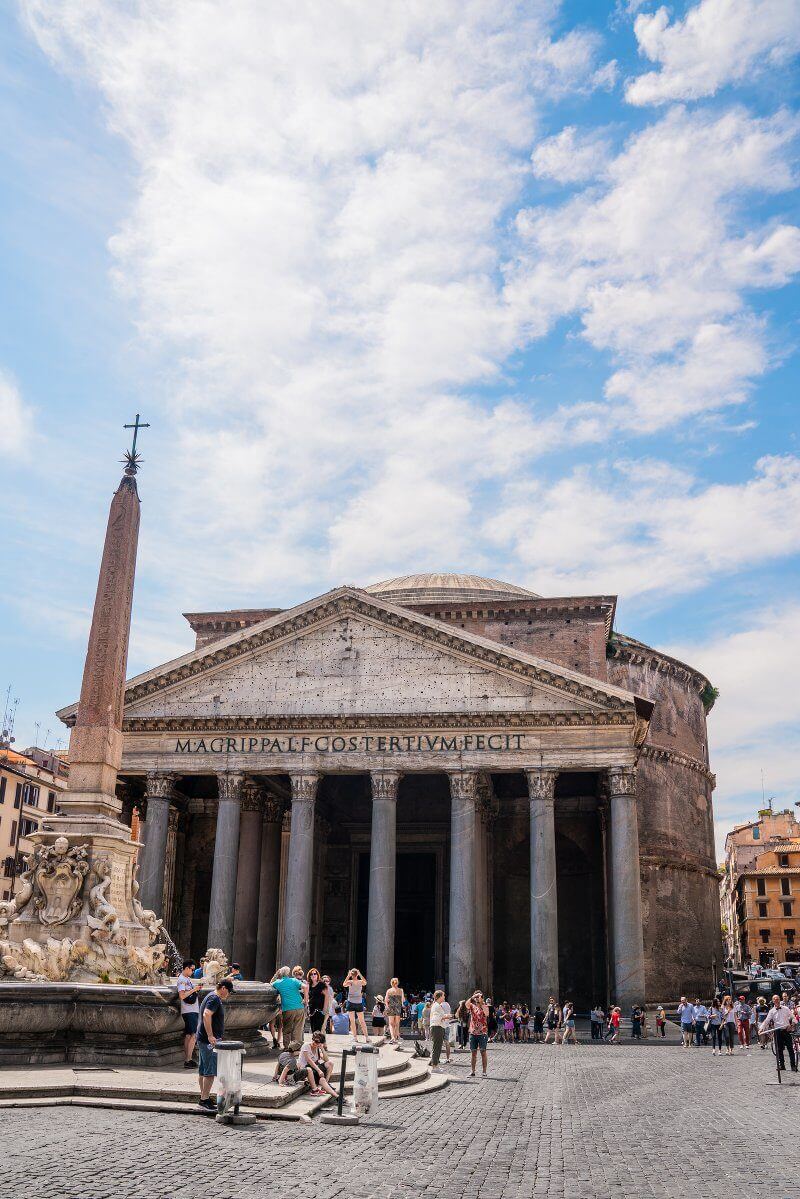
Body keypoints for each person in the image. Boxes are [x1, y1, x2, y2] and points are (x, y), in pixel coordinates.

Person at [196, 977, 234, 1110]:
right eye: (228, 991)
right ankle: (204, 1100)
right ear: (223, 988)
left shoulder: (210, 996)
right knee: (210, 1071)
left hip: (203, 1038)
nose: (228, 994)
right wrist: (211, 1035)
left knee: (203, 1070)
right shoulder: (215, 998)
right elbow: (207, 1014)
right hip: (209, 1041)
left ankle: (203, 1097)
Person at [758, 994, 798, 1072]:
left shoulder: (786, 1009)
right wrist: (761, 1029)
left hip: (786, 1030)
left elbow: (794, 1019)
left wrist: (792, 1025)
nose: (776, 1000)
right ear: (773, 1001)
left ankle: (793, 1066)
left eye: (777, 999)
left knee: (790, 1048)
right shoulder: (771, 1011)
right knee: (779, 1049)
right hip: (777, 1031)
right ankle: (782, 1065)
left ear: (780, 1000)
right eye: (775, 999)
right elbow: (766, 1021)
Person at [271, 965, 306, 1048]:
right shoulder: (294, 980)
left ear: (281, 974)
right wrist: (305, 999)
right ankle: (295, 1048)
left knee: (287, 1029)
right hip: (299, 1006)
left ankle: (287, 1048)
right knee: (298, 1029)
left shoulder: (278, 982)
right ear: (288, 973)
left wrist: (276, 975)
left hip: (287, 1009)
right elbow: (306, 987)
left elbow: (269, 985)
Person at [176, 960, 202, 1068]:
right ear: (186, 968)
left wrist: (195, 989)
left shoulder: (187, 979)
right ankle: (188, 1059)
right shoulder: (182, 979)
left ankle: (188, 1059)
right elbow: (182, 996)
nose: (193, 971)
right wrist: (194, 990)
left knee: (188, 1035)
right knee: (193, 1035)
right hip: (189, 1010)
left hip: (191, 1010)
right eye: (192, 969)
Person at [466, 990, 490, 1078]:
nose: (477, 998)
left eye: (478, 997)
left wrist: (481, 1002)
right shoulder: (472, 1006)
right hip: (473, 1032)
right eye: (476, 997)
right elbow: (466, 1004)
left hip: (482, 1033)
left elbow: (487, 1013)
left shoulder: (485, 1006)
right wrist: (473, 996)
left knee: (483, 1052)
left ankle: (484, 1071)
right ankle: (472, 1071)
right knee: (473, 1053)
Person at [343, 967, 369, 1041]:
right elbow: (365, 982)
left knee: (352, 1021)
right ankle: (366, 1037)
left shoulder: (350, 982)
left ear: (351, 975)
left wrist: (348, 976)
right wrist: (360, 974)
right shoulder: (360, 981)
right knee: (362, 1021)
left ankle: (355, 1037)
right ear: (357, 974)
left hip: (351, 1002)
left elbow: (344, 984)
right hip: (358, 1002)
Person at [429, 989, 449, 1072]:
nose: (444, 997)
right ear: (440, 996)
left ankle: (435, 1064)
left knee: (437, 1047)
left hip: (437, 1027)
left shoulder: (436, 1005)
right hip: (437, 1027)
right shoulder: (437, 1005)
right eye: (443, 995)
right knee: (437, 1047)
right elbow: (440, 1017)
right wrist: (447, 1016)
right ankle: (435, 1066)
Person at [306, 967, 327, 1033]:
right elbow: (308, 997)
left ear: (317, 975)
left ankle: (319, 1042)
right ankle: (315, 1042)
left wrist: (325, 1008)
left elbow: (327, 996)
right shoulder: (309, 985)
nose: (313, 975)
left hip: (320, 1009)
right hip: (312, 1010)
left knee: (318, 1029)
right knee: (313, 1029)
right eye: (311, 974)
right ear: (309, 976)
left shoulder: (321, 984)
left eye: (315, 974)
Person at [385, 978, 405, 1045]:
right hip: (398, 1007)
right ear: (397, 983)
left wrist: (387, 1006)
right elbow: (403, 1000)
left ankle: (393, 1037)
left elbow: (386, 1000)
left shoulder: (389, 990)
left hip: (391, 1007)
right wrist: (402, 1004)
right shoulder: (400, 990)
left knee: (391, 1024)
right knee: (397, 1023)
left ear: (391, 983)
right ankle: (397, 1037)